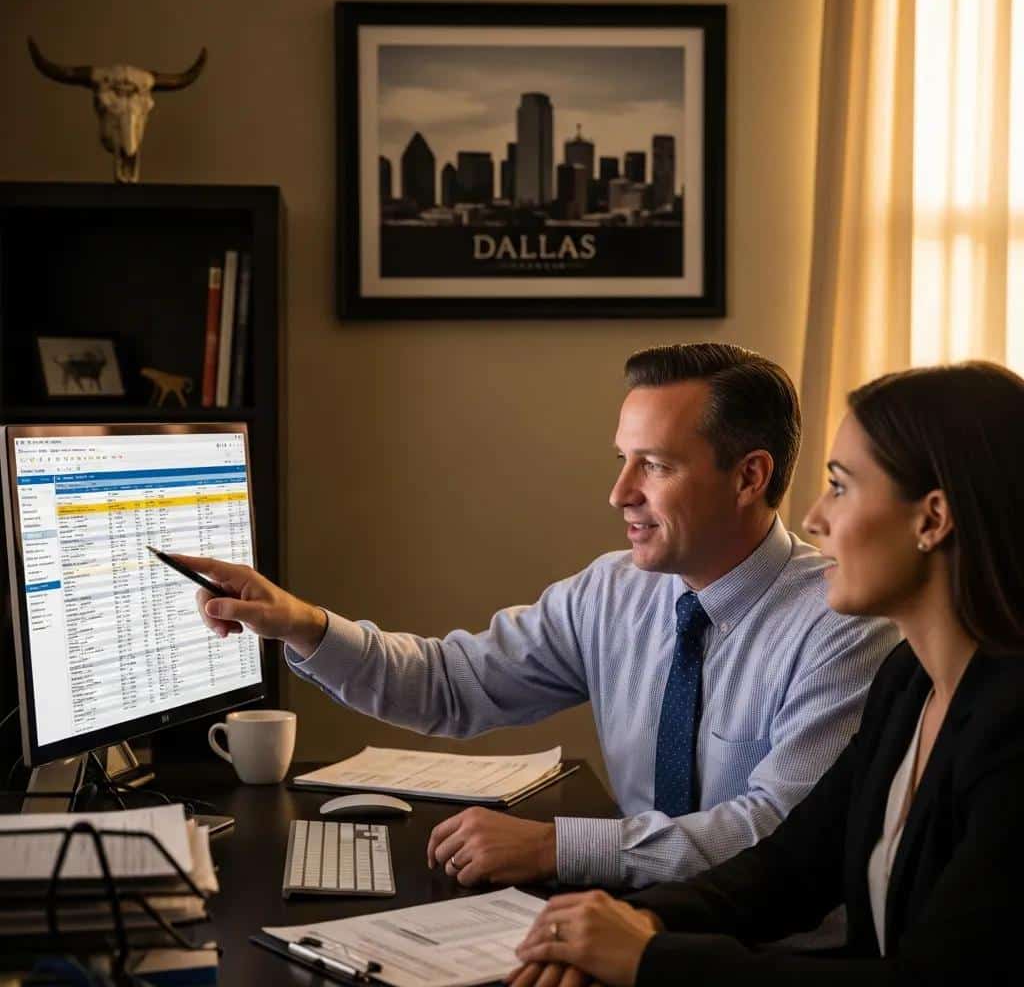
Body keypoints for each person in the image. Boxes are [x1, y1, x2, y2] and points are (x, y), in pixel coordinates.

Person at [182, 343, 897, 891]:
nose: (619, 492)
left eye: (654, 465)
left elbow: (776, 834)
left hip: (762, 958)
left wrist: (558, 846)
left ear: (749, 476)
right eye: (622, 459)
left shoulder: (843, 626)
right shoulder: (612, 591)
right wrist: (300, 624)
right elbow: (451, 685)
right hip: (632, 923)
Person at [510, 360, 1024, 985]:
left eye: (840, 486)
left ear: (932, 519)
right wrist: (637, 921)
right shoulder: (909, 681)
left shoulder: (1012, 726)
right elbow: (792, 865)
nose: (813, 518)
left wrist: (649, 958)